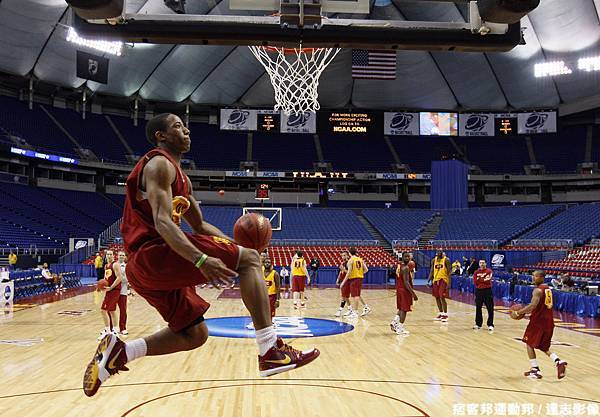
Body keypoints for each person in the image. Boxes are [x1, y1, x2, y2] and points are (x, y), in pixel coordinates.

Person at [82, 113, 318, 397]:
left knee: (195, 334)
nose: (186, 130)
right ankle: (270, 349)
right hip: (152, 254)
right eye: (177, 126)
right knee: (250, 260)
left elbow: (201, 226)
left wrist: (235, 248)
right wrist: (202, 259)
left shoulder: (182, 180)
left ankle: (121, 353)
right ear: (161, 136)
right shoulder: (158, 164)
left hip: (147, 269)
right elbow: (163, 222)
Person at [511, 270, 567, 380]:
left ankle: (535, 370)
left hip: (538, 322)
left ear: (541, 277)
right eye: (533, 276)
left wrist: (518, 312)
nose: (533, 278)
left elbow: (532, 306)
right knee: (543, 346)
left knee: (528, 343)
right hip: (549, 321)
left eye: (535, 276)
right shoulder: (548, 289)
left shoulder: (537, 290)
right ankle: (558, 361)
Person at [391, 252, 419, 335]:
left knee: (400, 308)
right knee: (404, 309)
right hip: (404, 290)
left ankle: (394, 322)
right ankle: (400, 328)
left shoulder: (400, 265)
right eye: (406, 257)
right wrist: (413, 294)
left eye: (408, 257)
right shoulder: (406, 268)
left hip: (399, 289)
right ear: (402, 257)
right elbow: (406, 282)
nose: (407, 258)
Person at [98, 250, 122, 341]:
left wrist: (111, 287)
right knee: (110, 310)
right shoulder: (106, 266)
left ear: (113, 255)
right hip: (109, 290)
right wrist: (100, 287)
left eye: (111, 254)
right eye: (107, 254)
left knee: (104, 310)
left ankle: (113, 330)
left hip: (114, 290)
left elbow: (120, 277)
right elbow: (106, 278)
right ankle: (111, 330)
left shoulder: (115, 265)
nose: (109, 255)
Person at [339, 247, 370, 318]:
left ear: (349, 253)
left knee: (355, 296)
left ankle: (355, 312)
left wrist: (343, 282)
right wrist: (359, 273)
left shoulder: (351, 260)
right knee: (357, 294)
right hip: (359, 278)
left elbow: (348, 273)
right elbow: (366, 270)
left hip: (354, 279)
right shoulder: (360, 259)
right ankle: (365, 307)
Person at [428, 249, 451, 323]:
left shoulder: (446, 260)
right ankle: (441, 313)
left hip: (443, 280)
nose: (439, 253)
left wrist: (449, 283)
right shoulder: (433, 260)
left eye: (440, 252)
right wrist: (429, 279)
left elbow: (449, 271)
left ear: (443, 253)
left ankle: (445, 314)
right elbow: (432, 270)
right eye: (438, 252)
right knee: (437, 297)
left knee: (442, 297)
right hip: (435, 280)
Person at [473, 260, 494, 332]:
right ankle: (478, 324)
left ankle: (490, 324)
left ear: (486, 264)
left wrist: (480, 279)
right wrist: (482, 279)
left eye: (483, 263)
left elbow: (488, 280)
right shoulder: (476, 272)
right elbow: (475, 282)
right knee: (478, 308)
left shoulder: (489, 271)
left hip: (487, 291)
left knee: (490, 308)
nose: (482, 264)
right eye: (480, 263)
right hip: (479, 291)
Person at [335, 251, 351, 317]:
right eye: (342, 255)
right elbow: (340, 272)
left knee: (344, 297)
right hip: (342, 281)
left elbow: (349, 273)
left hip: (347, 281)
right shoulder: (342, 263)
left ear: (347, 256)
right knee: (345, 297)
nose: (343, 257)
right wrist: (338, 279)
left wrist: (343, 269)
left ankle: (340, 310)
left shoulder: (349, 263)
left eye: (344, 255)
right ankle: (350, 309)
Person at [117, 251, 129, 336]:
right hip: (113, 291)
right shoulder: (113, 265)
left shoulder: (127, 267)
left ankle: (123, 328)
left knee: (123, 310)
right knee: (110, 310)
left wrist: (119, 277)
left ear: (125, 257)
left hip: (122, 291)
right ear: (117, 256)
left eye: (123, 255)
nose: (121, 256)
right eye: (120, 255)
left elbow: (127, 280)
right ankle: (111, 328)